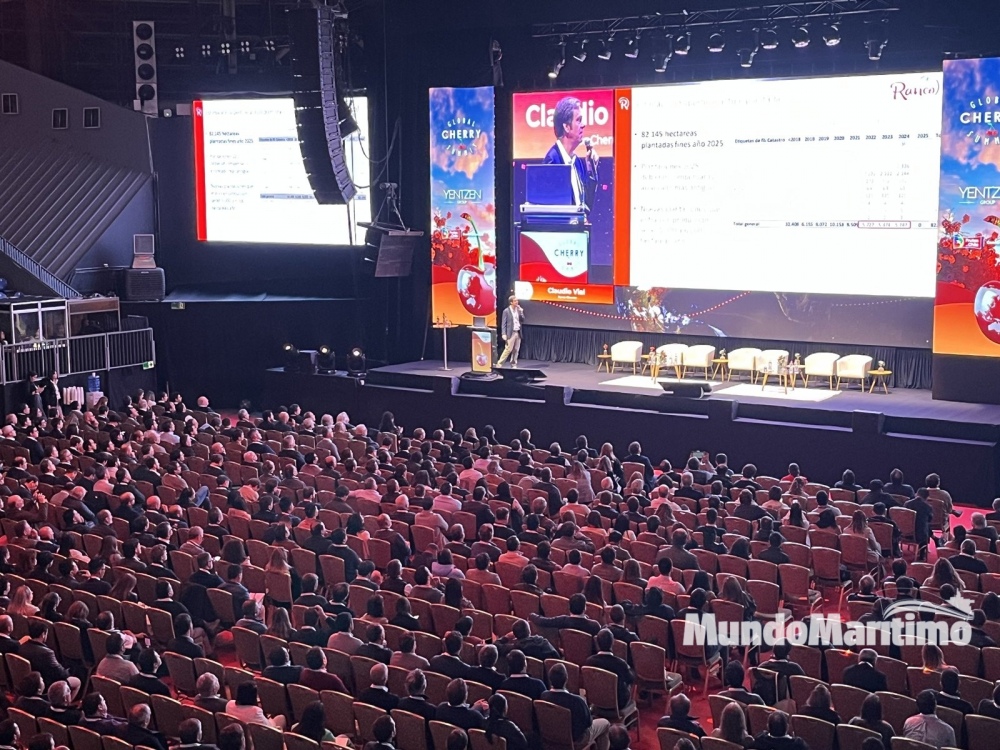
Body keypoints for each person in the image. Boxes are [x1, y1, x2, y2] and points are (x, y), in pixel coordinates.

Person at [543, 96, 599, 211]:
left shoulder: (577, 162)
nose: (583, 124)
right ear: (567, 127)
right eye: (579, 120)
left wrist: (590, 170)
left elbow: (586, 208)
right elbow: (552, 212)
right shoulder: (552, 162)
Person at [541, 663, 609, 750]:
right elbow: (588, 723)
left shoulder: (543, 696)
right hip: (575, 741)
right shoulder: (577, 701)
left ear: (550, 679)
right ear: (566, 679)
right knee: (605, 723)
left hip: (551, 737)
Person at [497, 296, 525, 369]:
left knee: (516, 350)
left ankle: (513, 364)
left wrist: (521, 312)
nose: (517, 302)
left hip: (518, 332)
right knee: (508, 349)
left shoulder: (518, 310)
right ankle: (499, 364)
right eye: (515, 301)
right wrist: (503, 333)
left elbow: (522, 320)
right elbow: (503, 323)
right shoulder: (506, 311)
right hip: (510, 333)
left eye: (517, 301)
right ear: (511, 302)